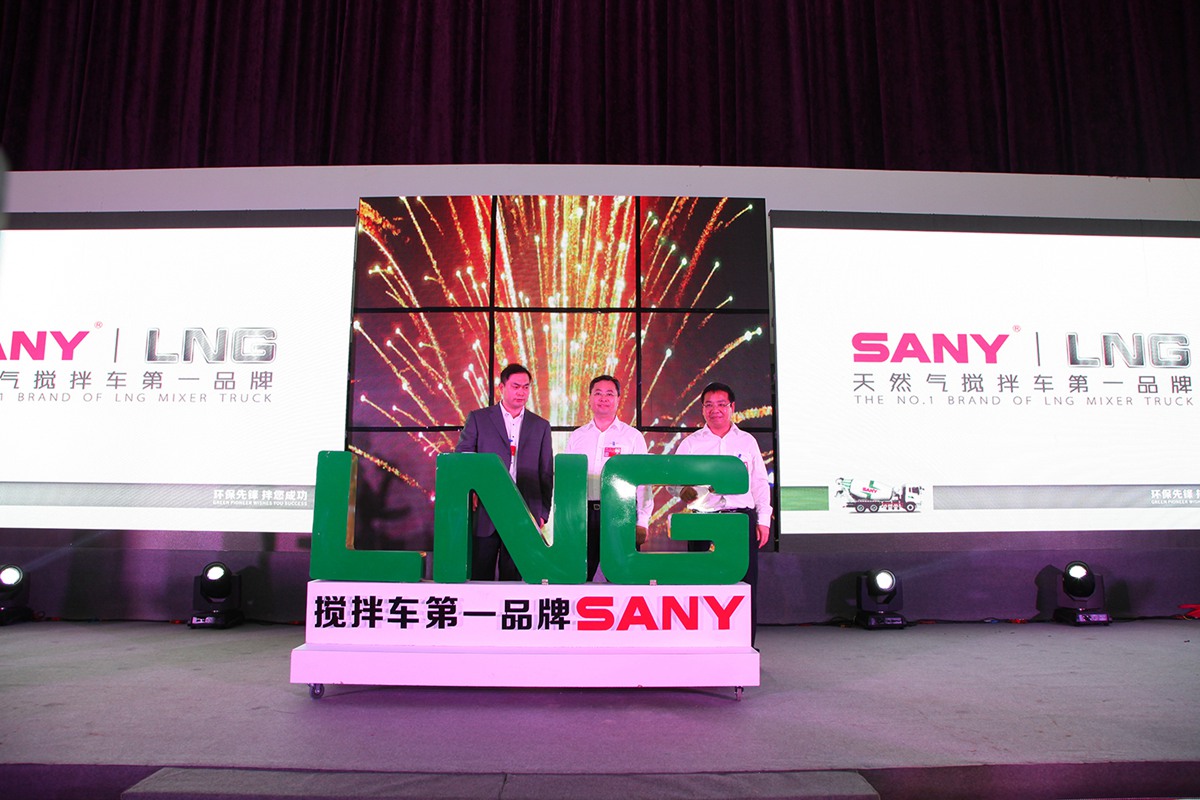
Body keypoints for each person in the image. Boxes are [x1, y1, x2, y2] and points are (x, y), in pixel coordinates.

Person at [674, 381, 772, 644]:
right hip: (703, 521)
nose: (714, 410)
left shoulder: (747, 441)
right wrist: (684, 492)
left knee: (745, 584)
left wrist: (763, 520)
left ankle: (745, 645)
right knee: (701, 582)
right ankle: (701, 643)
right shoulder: (691, 443)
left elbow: (759, 482)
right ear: (702, 409)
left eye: (721, 404)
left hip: (740, 520)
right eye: (708, 405)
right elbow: (674, 482)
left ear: (732, 407)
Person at [455, 363, 553, 581]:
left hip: (524, 510)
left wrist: (543, 512)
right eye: (516, 386)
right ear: (502, 388)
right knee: (480, 574)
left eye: (526, 387)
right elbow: (463, 457)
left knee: (515, 578)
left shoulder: (540, 425)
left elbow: (546, 472)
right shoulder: (479, 418)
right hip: (486, 508)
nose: (521, 392)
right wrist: (471, 490)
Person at [565, 375, 652, 580]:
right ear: (589, 398)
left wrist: (642, 520)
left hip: (621, 513)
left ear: (618, 399)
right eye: (598, 393)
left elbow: (643, 483)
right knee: (579, 575)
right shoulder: (577, 436)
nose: (603, 398)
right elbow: (569, 481)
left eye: (609, 394)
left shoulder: (632, 437)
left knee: (621, 576)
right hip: (584, 515)